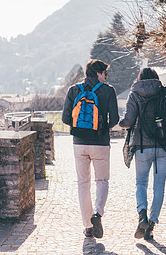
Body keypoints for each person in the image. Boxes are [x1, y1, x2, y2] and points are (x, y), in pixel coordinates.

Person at [62, 59, 119, 238]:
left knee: (82, 184)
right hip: (100, 143)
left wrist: (81, 127)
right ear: (98, 73)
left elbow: (65, 118)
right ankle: (97, 214)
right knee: (101, 181)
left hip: (79, 143)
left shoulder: (73, 90)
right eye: (104, 73)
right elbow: (115, 119)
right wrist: (101, 128)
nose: (106, 77)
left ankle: (88, 226)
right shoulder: (108, 91)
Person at [119, 67, 166, 240]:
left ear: (140, 78)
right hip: (163, 146)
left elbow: (128, 122)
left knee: (141, 183)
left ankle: (142, 215)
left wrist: (119, 121)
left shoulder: (135, 93)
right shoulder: (164, 92)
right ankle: (151, 225)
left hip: (142, 146)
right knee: (159, 187)